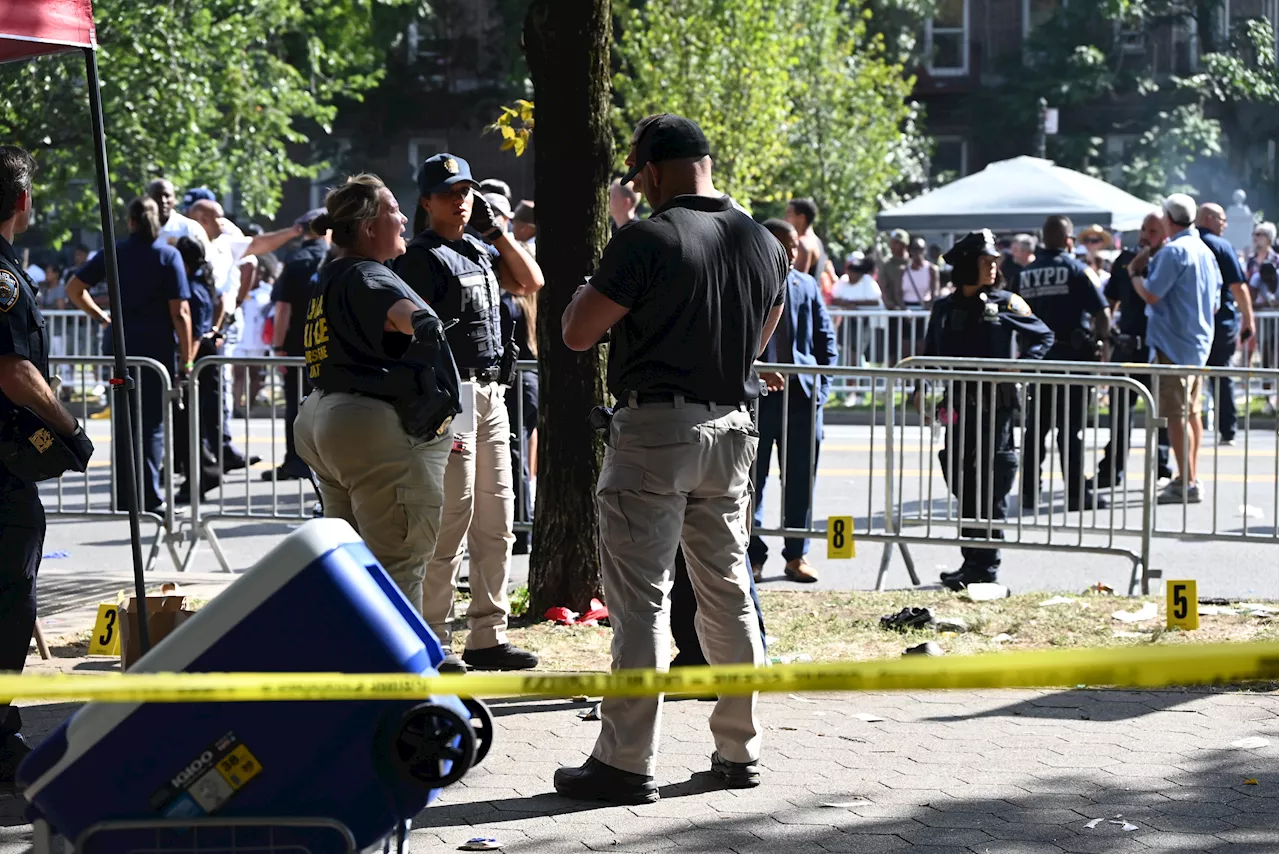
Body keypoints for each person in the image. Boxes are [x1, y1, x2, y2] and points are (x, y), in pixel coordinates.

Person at [556, 113, 784, 803]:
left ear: (652, 172)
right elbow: (763, 329)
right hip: (732, 429)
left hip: (656, 430)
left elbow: (576, 333)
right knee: (727, 593)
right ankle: (738, 751)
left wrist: (580, 295)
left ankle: (626, 761)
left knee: (642, 604)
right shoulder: (761, 240)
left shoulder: (647, 238)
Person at [393, 152, 543, 673]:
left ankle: (488, 635)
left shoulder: (482, 249)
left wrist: (498, 231)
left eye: (466, 191)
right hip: (450, 397)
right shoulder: (420, 257)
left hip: (493, 396)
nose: (461, 201)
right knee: (450, 521)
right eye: (450, 193)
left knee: (496, 521)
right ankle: (434, 636)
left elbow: (531, 282)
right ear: (426, 201)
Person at [292, 174, 460, 614]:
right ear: (368, 228)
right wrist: (424, 322)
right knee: (399, 563)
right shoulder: (368, 274)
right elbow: (397, 310)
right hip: (369, 426)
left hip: (326, 420)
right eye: (393, 210)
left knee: (352, 564)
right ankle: (404, 676)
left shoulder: (331, 274)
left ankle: (350, 663)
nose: (405, 218)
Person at [0, 146, 89, 787]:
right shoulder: (1, 276)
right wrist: (69, 427)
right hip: (1, 470)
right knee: (8, 597)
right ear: (22, 202)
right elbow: (14, 370)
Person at [922, 229, 1054, 590]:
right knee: (963, 481)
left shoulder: (1006, 303)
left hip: (998, 408)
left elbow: (1043, 336)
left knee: (992, 482)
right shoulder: (945, 308)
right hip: (960, 407)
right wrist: (918, 388)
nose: (994, 267)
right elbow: (929, 353)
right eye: (985, 261)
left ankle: (987, 569)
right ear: (967, 266)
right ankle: (970, 563)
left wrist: (1021, 365)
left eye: (995, 261)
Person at [67, 197, 193, 513]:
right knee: (150, 424)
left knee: (124, 422)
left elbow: (74, 288)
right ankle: (148, 498)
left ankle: (124, 497)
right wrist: (187, 357)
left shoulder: (113, 252)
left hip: (119, 349)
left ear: (131, 222)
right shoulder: (168, 256)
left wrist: (100, 317)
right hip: (155, 351)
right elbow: (181, 313)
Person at [748, 218, 837, 583]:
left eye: (795, 246)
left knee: (800, 479)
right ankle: (752, 554)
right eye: (782, 245)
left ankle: (796, 555)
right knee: (752, 481)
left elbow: (825, 340)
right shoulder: (749, 283)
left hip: (802, 399)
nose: (790, 253)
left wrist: (822, 388)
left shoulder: (807, 284)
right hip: (758, 399)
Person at [1128, 194, 1221, 505]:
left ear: (1168, 219)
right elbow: (1216, 302)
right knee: (1191, 413)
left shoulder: (1175, 251)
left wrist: (1135, 275)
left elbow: (1151, 295)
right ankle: (1189, 476)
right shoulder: (1204, 251)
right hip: (1197, 344)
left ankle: (1187, 481)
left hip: (1173, 345)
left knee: (1177, 416)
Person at [1013, 215, 1110, 512]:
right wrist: (1101, 344)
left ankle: (1029, 492)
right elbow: (1102, 315)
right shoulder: (1076, 270)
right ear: (1069, 240)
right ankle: (1077, 494)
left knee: (1035, 429)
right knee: (1071, 430)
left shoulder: (1025, 274)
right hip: (1071, 360)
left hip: (1037, 361)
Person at [1093, 213, 1172, 488]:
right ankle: (1112, 469)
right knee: (1118, 413)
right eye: (1144, 229)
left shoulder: (1169, 260)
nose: (1145, 235)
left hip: (1158, 346)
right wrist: (1104, 337)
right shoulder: (1125, 259)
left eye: (1153, 230)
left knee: (1162, 411)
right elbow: (1110, 300)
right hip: (1127, 346)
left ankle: (1162, 466)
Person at [267, 209, 331, 482]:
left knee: (297, 406)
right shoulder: (336, 259)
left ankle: (296, 461)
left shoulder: (296, 261)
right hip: (331, 347)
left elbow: (283, 310)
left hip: (297, 348)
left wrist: (278, 347)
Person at [1196, 203, 1255, 447]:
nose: (1226, 224)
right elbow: (1238, 286)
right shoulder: (1222, 246)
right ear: (1209, 219)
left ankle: (1182, 427)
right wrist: (1248, 320)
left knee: (1186, 378)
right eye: (1222, 219)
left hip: (1190, 325)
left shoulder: (1182, 244)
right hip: (1221, 323)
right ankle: (1227, 430)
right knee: (1222, 376)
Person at [172, 236, 224, 501]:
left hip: (194, 356)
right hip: (200, 355)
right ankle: (201, 473)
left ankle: (200, 476)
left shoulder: (192, 288)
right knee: (189, 422)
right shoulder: (202, 283)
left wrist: (185, 364)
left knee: (188, 423)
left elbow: (192, 334)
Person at [500, 289, 537, 556]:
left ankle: (521, 532)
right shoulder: (529, 304)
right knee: (520, 452)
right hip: (529, 384)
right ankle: (522, 530)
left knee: (516, 455)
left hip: (519, 384)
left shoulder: (510, 305)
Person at [785, 198, 836, 297]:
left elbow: (795, 282)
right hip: (812, 300)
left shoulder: (803, 244)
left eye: (789, 214)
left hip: (802, 305)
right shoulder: (817, 241)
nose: (785, 219)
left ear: (801, 218)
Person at [148, 179, 209, 249]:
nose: (163, 200)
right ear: (149, 198)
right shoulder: (139, 228)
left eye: (167, 196)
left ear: (174, 197)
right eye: (158, 196)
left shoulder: (190, 228)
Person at [877, 228, 911, 310]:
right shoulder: (886, 264)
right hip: (893, 309)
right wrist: (887, 302)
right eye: (891, 243)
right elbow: (883, 286)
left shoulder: (912, 263)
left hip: (911, 306)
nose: (892, 246)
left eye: (896, 243)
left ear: (904, 245)